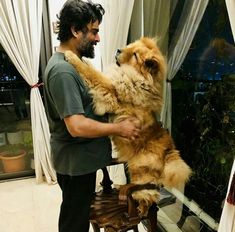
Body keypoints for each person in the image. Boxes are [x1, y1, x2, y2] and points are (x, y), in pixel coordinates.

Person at [42, 0, 140, 232]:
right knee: (74, 223)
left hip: (82, 161)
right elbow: (76, 125)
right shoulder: (62, 71)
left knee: (77, 215)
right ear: (76, 30)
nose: (98, 38)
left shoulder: (74, 64)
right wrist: (119, 129)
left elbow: (89, 106)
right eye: (94, 31)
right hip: (75, 164)